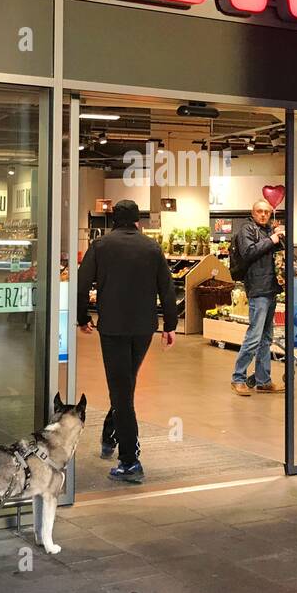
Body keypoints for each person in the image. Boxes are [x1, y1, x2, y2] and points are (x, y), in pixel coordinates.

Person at [77, 199, 178, 484]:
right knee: (125, 384)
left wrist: (82, 317)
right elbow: (167, 289)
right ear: (138, 221)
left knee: (122, 390)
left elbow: (83, 285)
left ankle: (130, 461)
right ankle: (110, 435)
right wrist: (170, 325)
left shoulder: (101, 246)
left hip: (113, 327)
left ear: (114, 220)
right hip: (144, 328)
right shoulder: (152, 248)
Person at [230, 199, 286, 396]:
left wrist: (279, 237)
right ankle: (238, 378)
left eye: (267, 212)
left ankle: (263, 380)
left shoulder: (268, 230)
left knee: (266, 338)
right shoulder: (247, 229)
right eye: (260, 211)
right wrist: (272, 240)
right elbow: (248, 252)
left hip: (271, 288)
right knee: (254, 336)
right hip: (257, 288)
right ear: (252, 212)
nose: (263, 215)